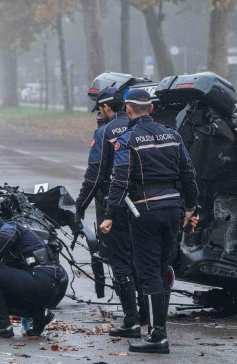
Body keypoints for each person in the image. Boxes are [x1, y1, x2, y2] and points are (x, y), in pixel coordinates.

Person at [101, 88, 199, 354]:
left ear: (129, 109)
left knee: (149, 273)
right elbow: (188, 173)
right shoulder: (173, 135)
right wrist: (192, 207)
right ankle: (158, 332)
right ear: (152, 109)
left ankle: (158, 336)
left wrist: (109, 215)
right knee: (163, 268)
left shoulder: (129, 139)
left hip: (144, 211)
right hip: (173, 210)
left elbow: (120, 179)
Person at [76, 87, 141, 338]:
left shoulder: (105, 133)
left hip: (116, 206)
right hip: (147, 205)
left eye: (100, 110)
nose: (99, 115)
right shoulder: (146, 129)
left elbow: (94, 176)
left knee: (121, 261)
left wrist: (80, 207)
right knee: (144, 261)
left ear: (106, 107)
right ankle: (148, 316)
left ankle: (132, 320)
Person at [0, 207, 66, 338]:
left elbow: (7, 235)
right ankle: (39, 314)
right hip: (43, 288)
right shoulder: (10, 250)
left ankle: (2, 325)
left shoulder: (10, 227)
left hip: (44, 280)